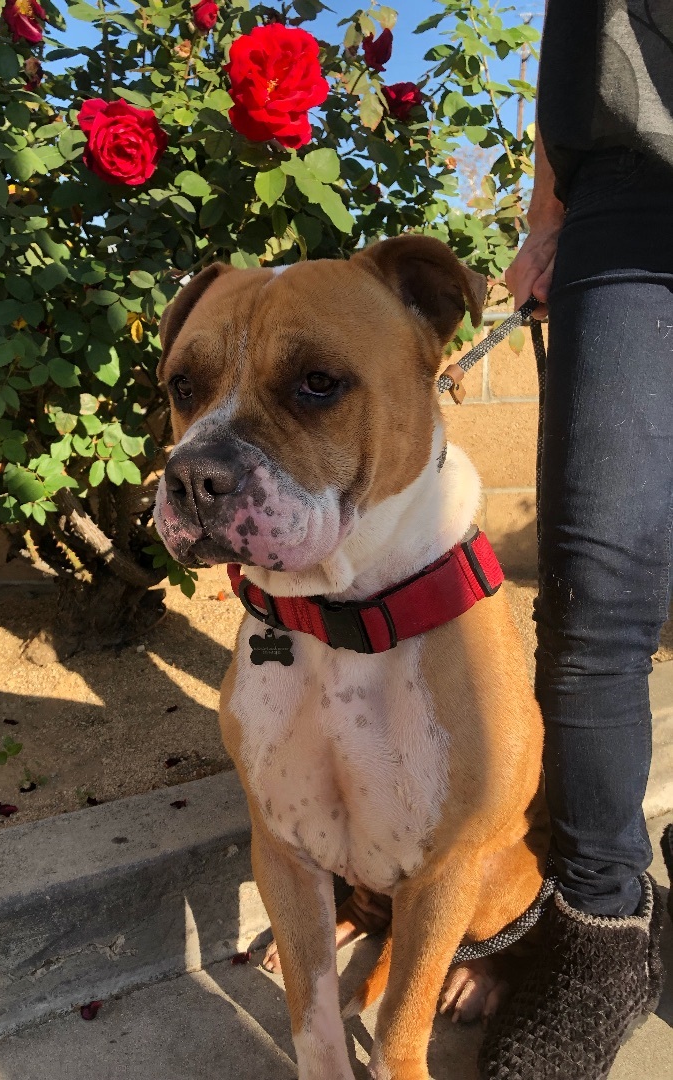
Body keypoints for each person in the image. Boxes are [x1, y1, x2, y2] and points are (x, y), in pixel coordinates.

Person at [477, 3, 672, 1078]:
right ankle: (599, 935)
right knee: (599, 593)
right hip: (632, 195)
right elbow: (580, 43)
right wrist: (547, 217)